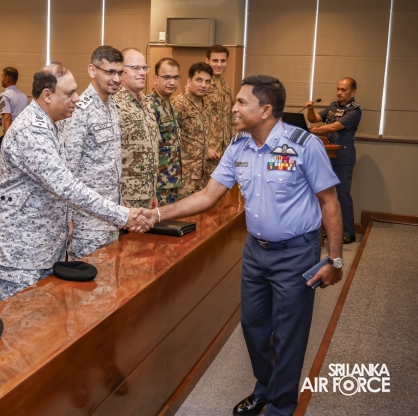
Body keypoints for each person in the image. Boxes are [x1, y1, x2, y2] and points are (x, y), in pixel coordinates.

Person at [138, 75, 344, 416]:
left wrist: (334, 260)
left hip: (296, 254)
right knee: (253, 327)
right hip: (255, 252)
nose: (233, 108)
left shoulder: (304, 145)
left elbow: (330, 202)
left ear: (265, 110)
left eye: (241, 102)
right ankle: (265, 386)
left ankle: (280, 406)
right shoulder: (239, 146)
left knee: (289, 335)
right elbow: (208, 195)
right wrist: (158, 214)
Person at [0, 63, 153, 305]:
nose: (77, 98)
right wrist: (122, 215)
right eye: (69, 93)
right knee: (17, 323)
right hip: (18, 256)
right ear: (47, 95)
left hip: (42, 250)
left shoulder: (52, 123)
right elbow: (66, 185)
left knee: (44, 323)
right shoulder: (31, 130)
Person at [58, 45, 125, 260]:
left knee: (109, 278)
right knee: (90, 278)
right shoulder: (80, 110)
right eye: (110, 72)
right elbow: (68, 169)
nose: (116, 79)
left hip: (110, 215)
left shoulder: (112, 106)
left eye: (120, 72)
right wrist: (68, 218)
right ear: (92, 70)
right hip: (87, 222)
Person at [305, 77, 362, 244]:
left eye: (344, 90)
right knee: (324, 194)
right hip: (326, 155)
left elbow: (333, 127)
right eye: (338, 89)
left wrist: (308, 130)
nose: (339, 92)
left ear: (353, 91)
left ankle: (348, 233)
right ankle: (326, 229)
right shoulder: (333, 106)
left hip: (343, 157)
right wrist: (311, 110)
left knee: (342, 195)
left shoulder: (355, 110)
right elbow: (314, 118)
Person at [111, 48, 159, 209]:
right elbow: (108, 155)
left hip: (146, 195)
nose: (142, 72)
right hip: (124, 198)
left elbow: (151, 150)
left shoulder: (146, 102)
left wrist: (152, 192)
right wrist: (116, 197)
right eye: (135, 68)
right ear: (121, 71)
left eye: (144, 68)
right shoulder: (113, 103)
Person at [172, 62, 215, 198]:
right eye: (199, 80)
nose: (203, 85)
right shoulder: (178, 104)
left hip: (202, 173)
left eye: (207, 81)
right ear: (189, 81)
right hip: (184, 175)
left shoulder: (206, 104)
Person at [146, 57, 182, 205]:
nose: (172, 82)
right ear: (155, 79)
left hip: (172, 181)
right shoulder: (149, 105)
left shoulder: (171, 104)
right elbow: (147, 150)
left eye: (175, 77)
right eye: (167, 77)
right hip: (158, 185)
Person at [205, 45, 236, 178]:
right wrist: (204, 148)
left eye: (223, 61)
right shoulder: (201, 86)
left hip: (225, 152)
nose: (219, 64)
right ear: (207, 61)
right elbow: (191, 122)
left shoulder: (225, 86)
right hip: (208, 153)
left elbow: (231, 117)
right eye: (215, 60)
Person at [0, 66, 28, 145]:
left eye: (2, 76)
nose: (1, 79)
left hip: (12, 136)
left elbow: (7, 117)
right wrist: (1, 122)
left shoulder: (5, 95)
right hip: (24, 136)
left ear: (7, 79)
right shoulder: (24, 96)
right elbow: (18, 116)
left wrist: (7, 140)